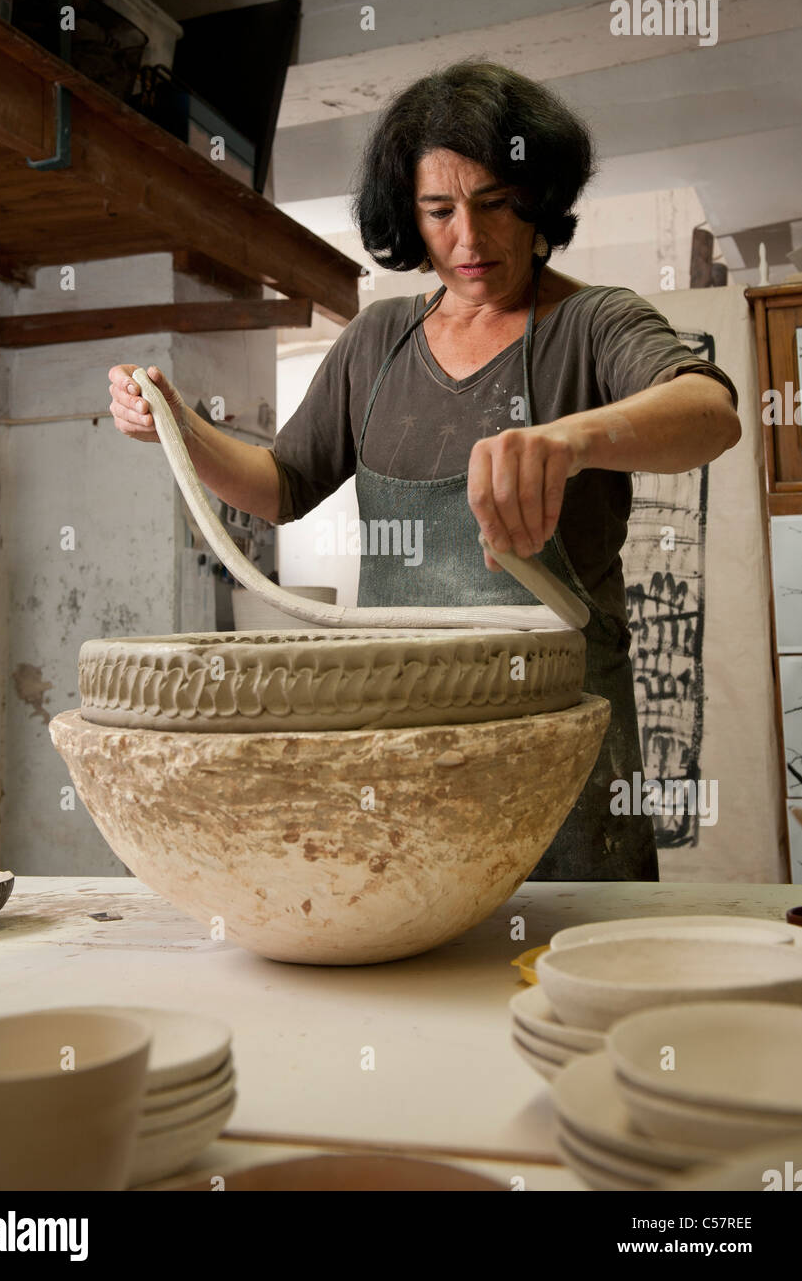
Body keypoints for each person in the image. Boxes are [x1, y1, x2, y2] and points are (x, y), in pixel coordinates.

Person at [109, 60, 741, 881]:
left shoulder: (594, 324)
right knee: (419, 960)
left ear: (536, 200)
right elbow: (279, 489)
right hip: (407, 728)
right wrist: (177, 428)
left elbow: (710, 414)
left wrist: (569, 440)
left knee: (565, 960)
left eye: (494, 204)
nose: (468, 241)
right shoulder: (378, 342)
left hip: (558, 736)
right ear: (408, 215)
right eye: (439, 211)